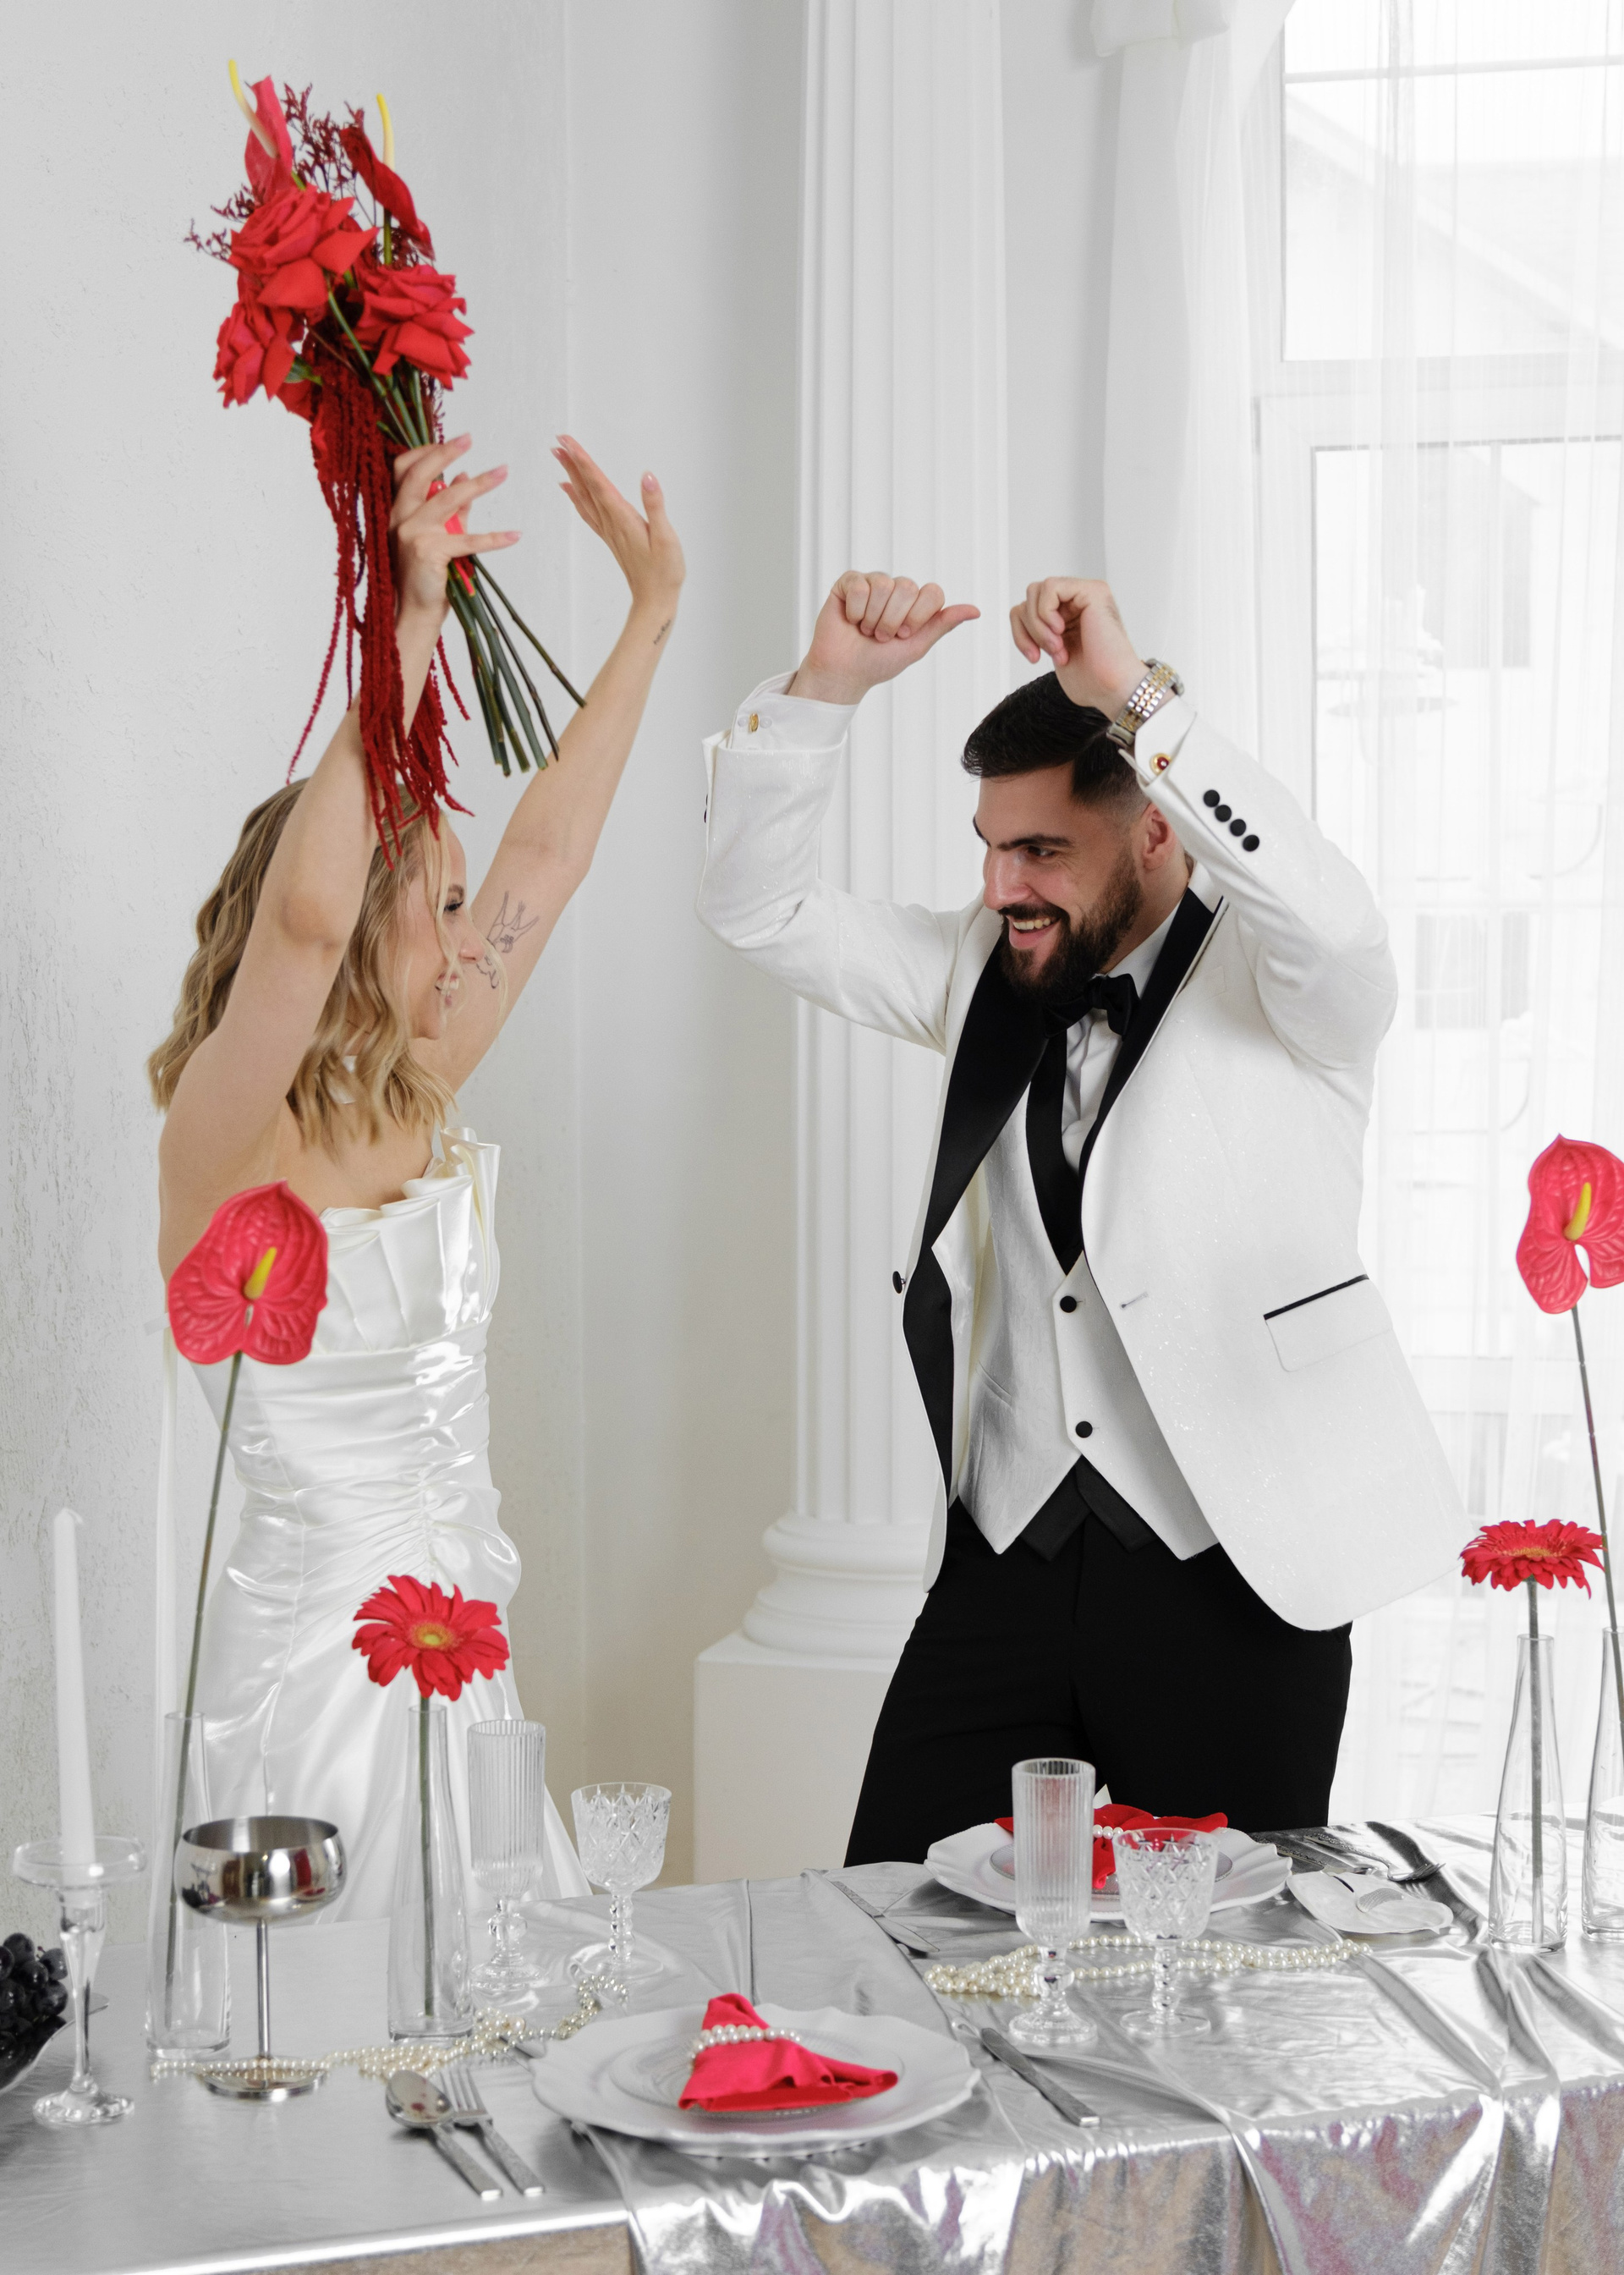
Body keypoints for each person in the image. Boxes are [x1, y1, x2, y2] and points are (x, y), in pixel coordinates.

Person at [697, 569, 1468, 1860]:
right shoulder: (981, 963)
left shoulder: (1293, 988)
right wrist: (825, 689)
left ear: (1158, 829)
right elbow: (755, 908)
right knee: (894, 1920)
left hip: (1236, 1570)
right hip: (1006, 1555)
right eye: (991, 845)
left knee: (1223, 1961)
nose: (1001, 884)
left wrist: (1134, 699)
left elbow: (1337, 922)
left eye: (1043, 850)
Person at [150, 432, 683, 1916]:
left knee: (494, 1999)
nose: (467, 938)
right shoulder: (227, 1143)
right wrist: (408, 622)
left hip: (464, 1657)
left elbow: (548, 859)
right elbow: (306, 925)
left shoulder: (420, 1087)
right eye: (437, 905)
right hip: (312, 1692)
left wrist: (652, 615)